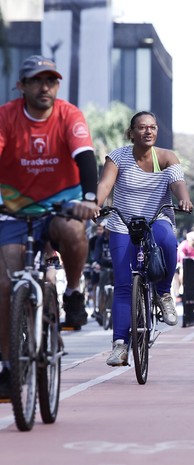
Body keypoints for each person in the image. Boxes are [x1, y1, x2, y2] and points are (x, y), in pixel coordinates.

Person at [0, 55, 99, 396]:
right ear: (22, 86)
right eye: (37, 81)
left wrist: (89, 197)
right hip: (13, 207)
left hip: (61, 202)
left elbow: (85, 156)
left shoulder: (68, 114)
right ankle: (9, 364)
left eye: (51, 81)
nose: (45, 87)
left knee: (72, 231)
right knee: (4, 281)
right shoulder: (6, 116)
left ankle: (72, 293)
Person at [95, 111, 193, 367]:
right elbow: (105, 185)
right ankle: (119, 346)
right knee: (124, 285)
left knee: (169, 240)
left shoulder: (166, 157)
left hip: (157, 218)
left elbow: (177, 183)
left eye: (152, 127)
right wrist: (95, 204)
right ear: (132, 132)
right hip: (122, 223)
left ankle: (163, 293)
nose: (148, 131)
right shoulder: (118, 157)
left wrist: (183, 197)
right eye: (142, 127)